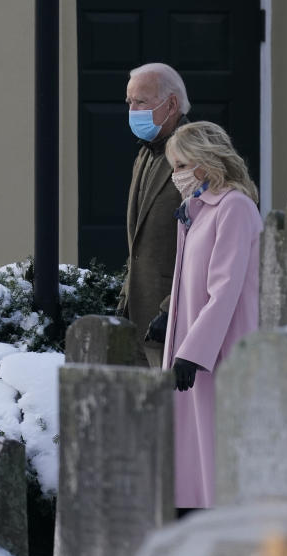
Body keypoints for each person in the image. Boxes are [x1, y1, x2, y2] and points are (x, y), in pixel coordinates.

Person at [158, 121, 263, 510]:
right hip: (194, 346)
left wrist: (193, 351)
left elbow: (225, 287)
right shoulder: (197, 211)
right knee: (192, 449)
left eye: (182, 165)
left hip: (220, 350)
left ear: (206, 161)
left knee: (215, 447)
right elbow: (190, 282)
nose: (176, 175)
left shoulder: (234, 207)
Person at [118, 63, 190, 367]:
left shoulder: (195, 156)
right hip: (138, 315)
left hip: (176, 319)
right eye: (129, 102)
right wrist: (124, 297)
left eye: (141, 102)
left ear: (170, 104)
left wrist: (169, 308)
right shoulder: (146, 153)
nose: (133, 110)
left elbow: (205, 242)